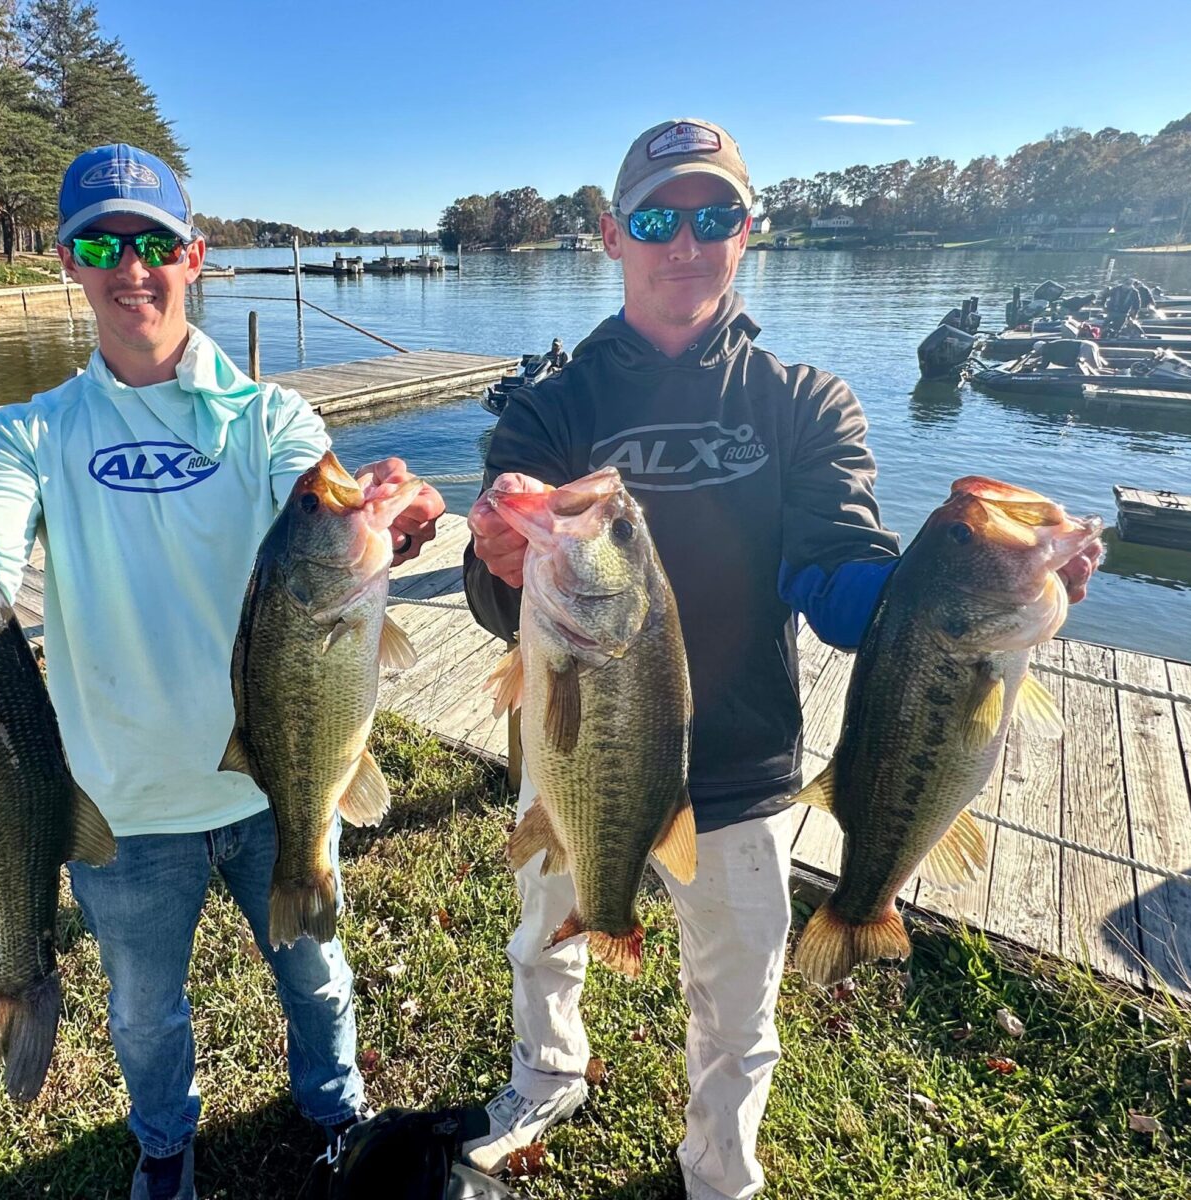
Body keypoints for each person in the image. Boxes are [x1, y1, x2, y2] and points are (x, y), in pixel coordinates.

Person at [0, 143, 445, 1200]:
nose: (133, 266)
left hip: (275, 780)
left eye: (154, 241)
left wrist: (398, 520)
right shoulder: (28, 434)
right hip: (118, 805)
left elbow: (334, 527)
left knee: (315, 971)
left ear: (195, 255)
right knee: (142, 1009)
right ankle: (164, 1147)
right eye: (102, 242)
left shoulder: (273, 420)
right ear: (70, 262)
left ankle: (332, 1109)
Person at [460, 118, 1100, 1199]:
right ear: (613, 235)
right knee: (543, 941)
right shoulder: (552, 405)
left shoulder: (805, 401)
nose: (685, 242)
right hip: (580, 749)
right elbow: (493, 599)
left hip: (744, 767)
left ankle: (720, 1168)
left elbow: (840, 576)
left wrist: (966, 591)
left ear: (746, 233)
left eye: (713, 217)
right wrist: (496, 556)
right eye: (659, 217)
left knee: (738, 997)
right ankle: (546, 1070)